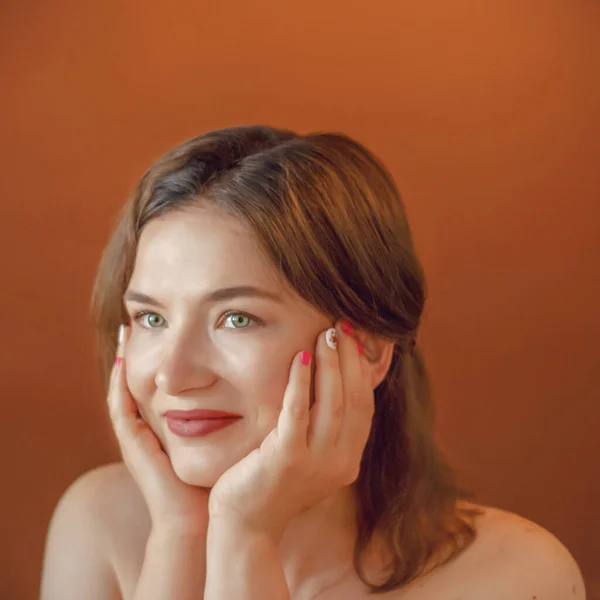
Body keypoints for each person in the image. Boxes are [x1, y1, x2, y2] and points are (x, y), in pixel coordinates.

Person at [40, 125, 586, 599]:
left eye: (236, 318)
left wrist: (245, 540)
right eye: (152, 319)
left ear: (366, 348)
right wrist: (181, 534)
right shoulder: (99, 524)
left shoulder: (516, 577)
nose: (173, 376)